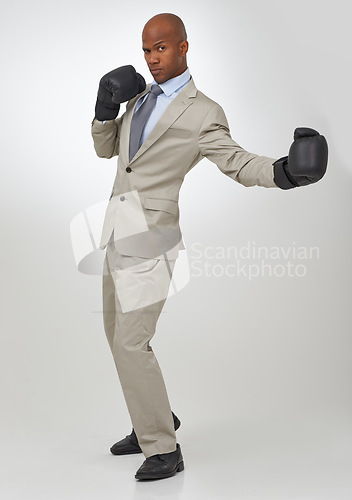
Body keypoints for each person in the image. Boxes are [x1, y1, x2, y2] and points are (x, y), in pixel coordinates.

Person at [91, 12, 328, 481]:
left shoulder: (203, 112)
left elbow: (237, 162)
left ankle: (163, 447)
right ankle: (150, 421)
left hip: (154, 236)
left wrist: (285, 172)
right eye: (145, 50)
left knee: (131, 342)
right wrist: (103, 110)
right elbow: (109, 152)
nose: (152, 58)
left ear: (183, 47)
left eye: (160, 48)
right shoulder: (138, 97)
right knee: (117, 338)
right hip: (118, 229)